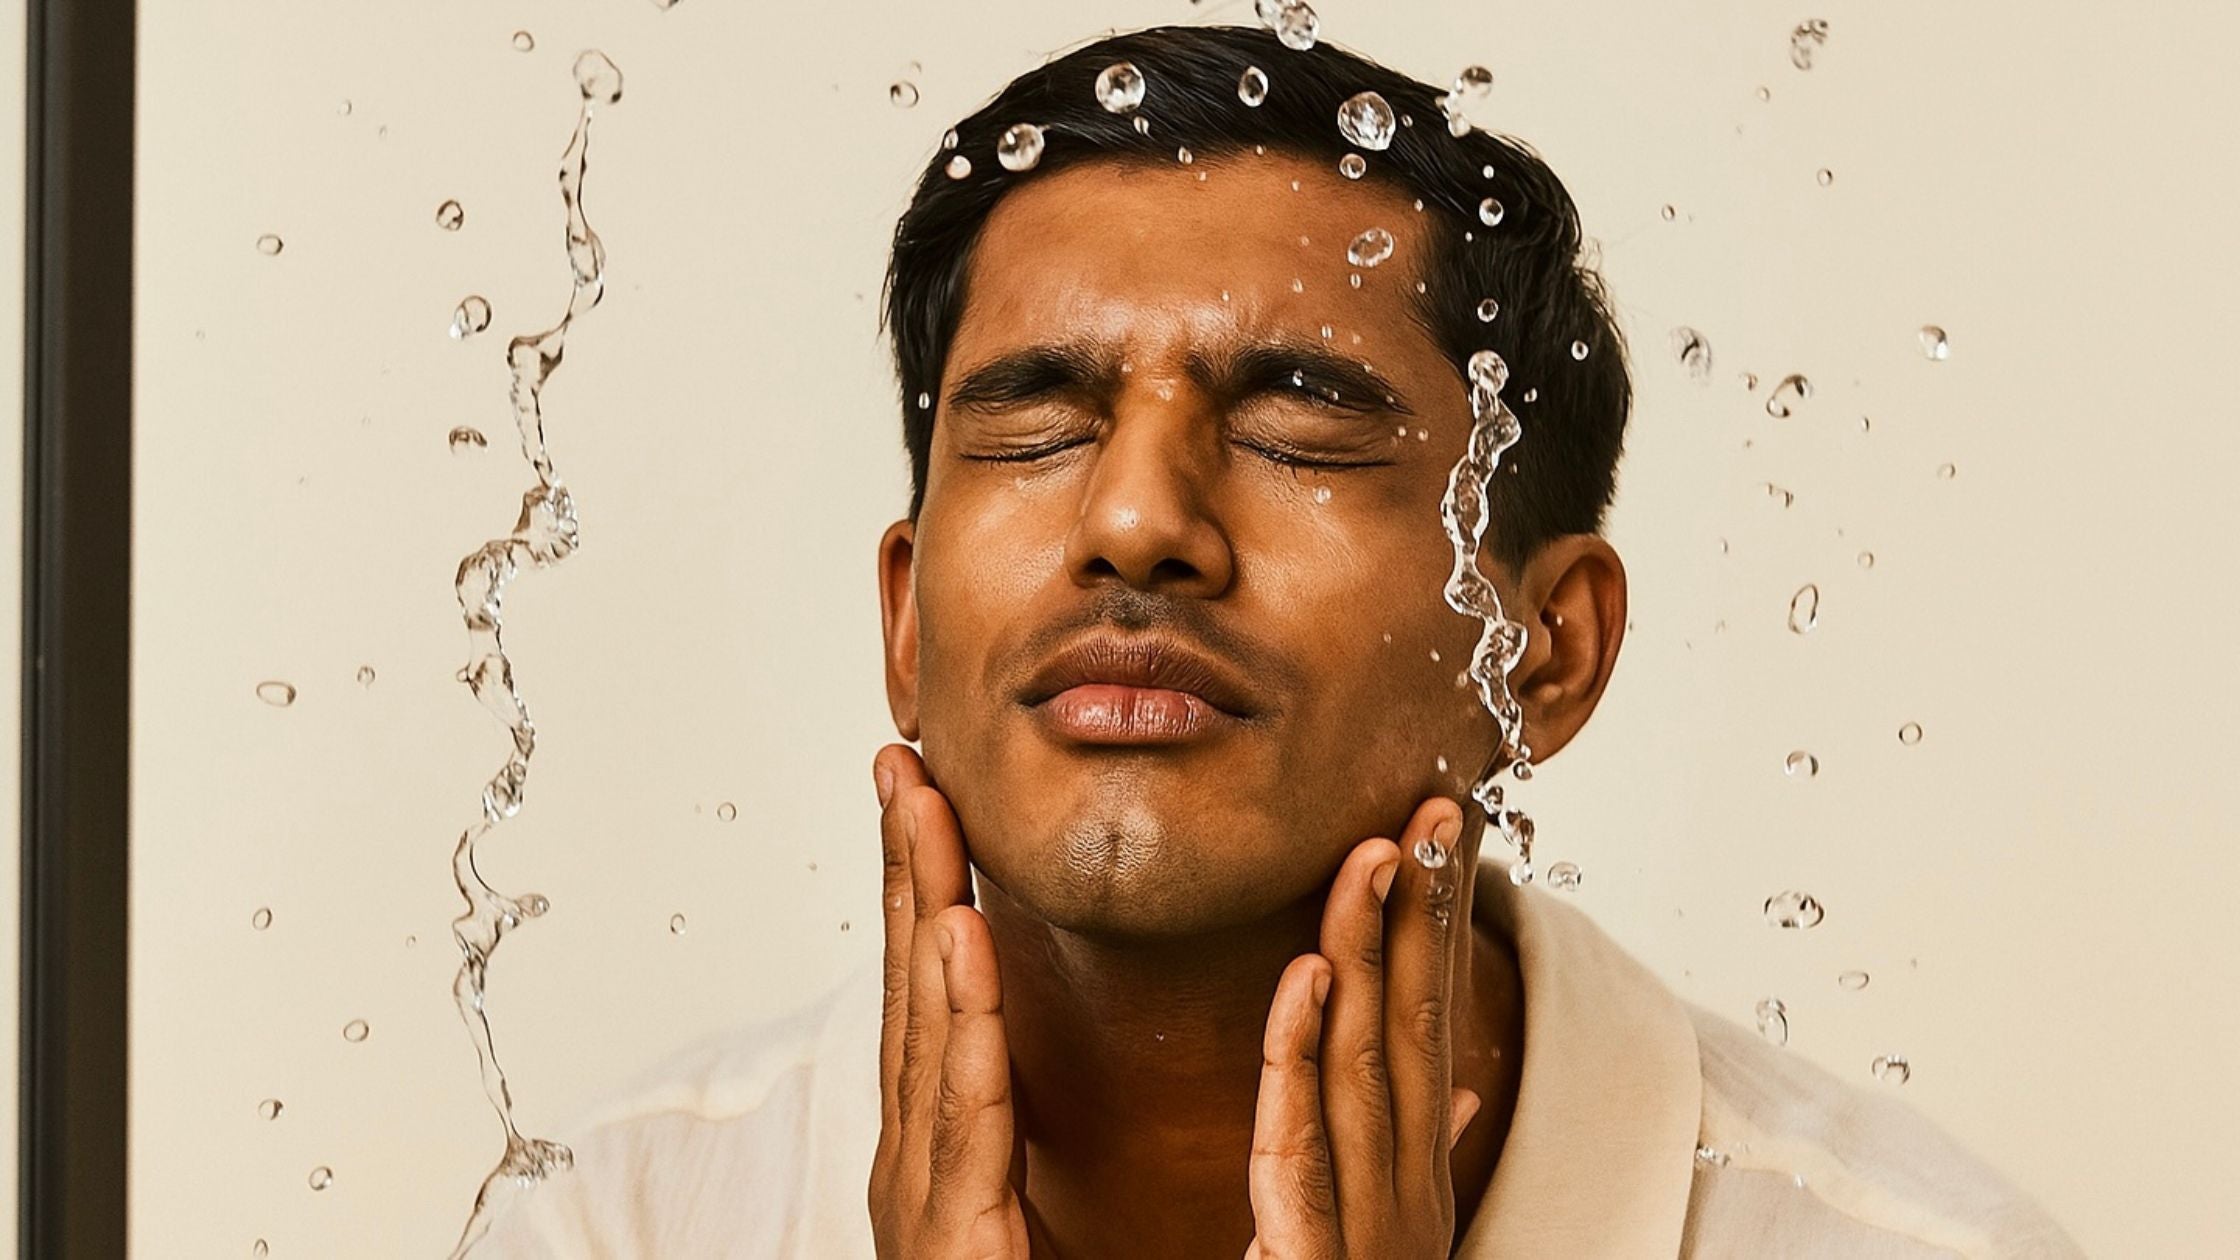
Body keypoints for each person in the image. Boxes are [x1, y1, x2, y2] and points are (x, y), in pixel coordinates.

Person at [477, 22, 2084, 1258]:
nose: (1136, 519)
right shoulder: (614, 1224)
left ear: (1545, 649)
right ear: (907, 617)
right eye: (1036, 426)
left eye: (1304, 430)